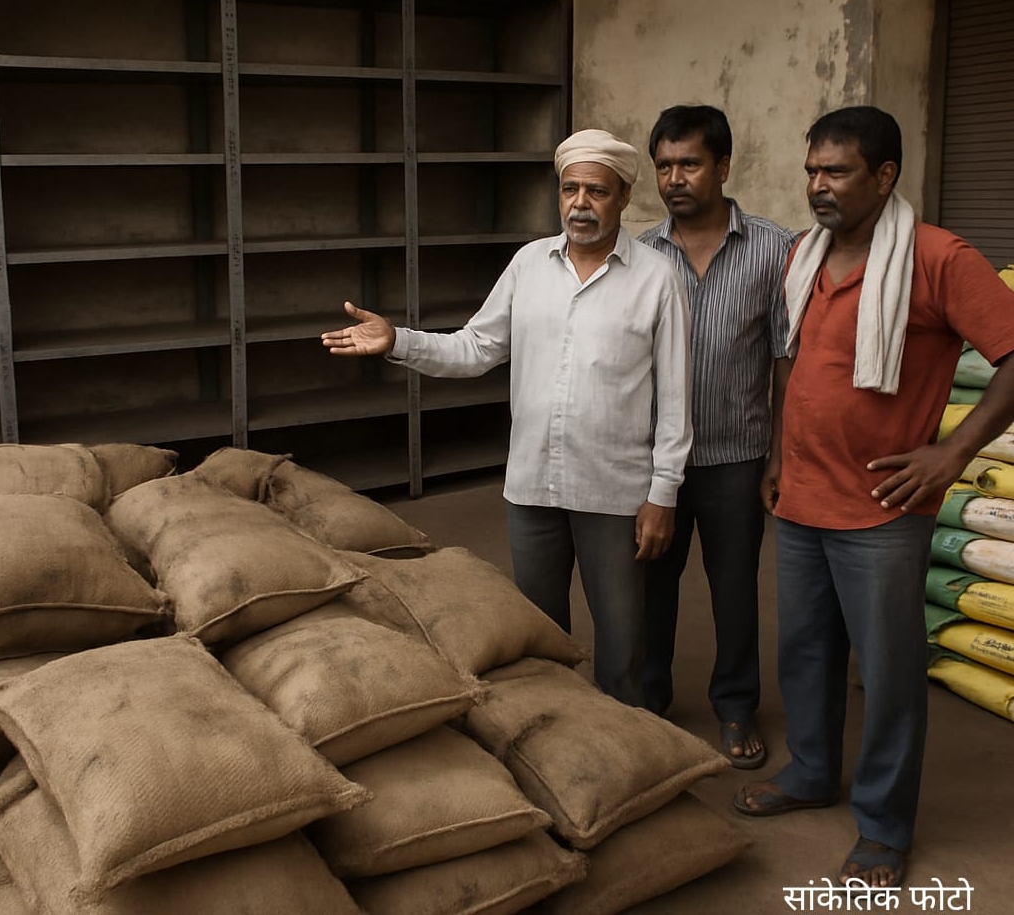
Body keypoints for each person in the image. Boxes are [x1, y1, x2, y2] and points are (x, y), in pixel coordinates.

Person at [733, 106, 1014, 889]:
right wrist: (777, 455)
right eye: (812, 170)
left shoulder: (939, 258)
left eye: (838, 172)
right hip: (802, 496)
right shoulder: (803, 255)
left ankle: (885, 828)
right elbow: (791, 361)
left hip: (885, 508)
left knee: (889, 674)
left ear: (884, 176)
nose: (818, 186)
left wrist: (953, 453)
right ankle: (813, 772)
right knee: (806, 651)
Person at [321, 128, 693, 707]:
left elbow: (674, 399)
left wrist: (663, 494)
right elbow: (475, 349)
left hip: (615, 495)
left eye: (596, 191)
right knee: (539, 640)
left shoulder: (657, 279)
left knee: (623, 650)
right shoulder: (529, 265)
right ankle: (556, 742)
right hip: (533, 491)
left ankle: (630, 756)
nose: (580, 204)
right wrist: (399, 341)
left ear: (623, 197)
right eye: (569, 189)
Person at [637, 104, 793, 768]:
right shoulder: (639, 254)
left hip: (736, 456)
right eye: (665, 165)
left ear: (723, 166)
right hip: (655, 466)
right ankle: (646, 702)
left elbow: (787, 358)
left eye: (690, 163)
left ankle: (735, 704)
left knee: (734, 589)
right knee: (648, 586)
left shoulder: (773, 248)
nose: (676, 178)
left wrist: (778, 455)